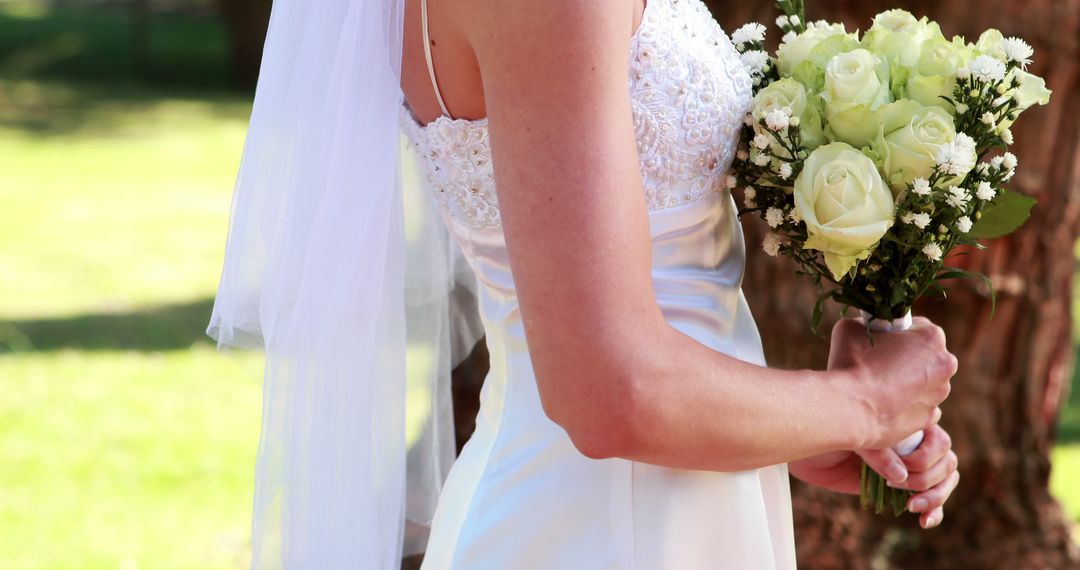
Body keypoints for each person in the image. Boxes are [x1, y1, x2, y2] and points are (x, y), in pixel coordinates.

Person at [209, 0, 959, 568]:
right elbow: (610, 393)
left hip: (676, 501)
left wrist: (800, 423)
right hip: (589, 530)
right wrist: (868, 402)